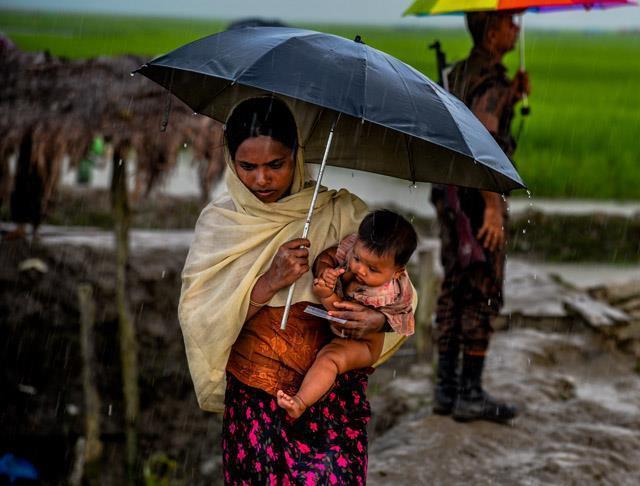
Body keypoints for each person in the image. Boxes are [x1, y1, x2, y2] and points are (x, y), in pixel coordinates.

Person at [178, 97, 406, 485]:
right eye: (247, 167)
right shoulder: (222, 225)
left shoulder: (339, 214)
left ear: (296, 157)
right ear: (231, 163)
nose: (262, 180)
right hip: (256, 400)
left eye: (275, 165)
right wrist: (269, 281)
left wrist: (375, 317)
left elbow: (399, 288)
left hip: (331, 399)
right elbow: (200, 319)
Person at [430, 11, 530, 423]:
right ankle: (469, 391)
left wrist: (513, 95)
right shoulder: (489, 81)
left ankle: (447, 389)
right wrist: (492, 204)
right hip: (476, 199)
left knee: (455, 283)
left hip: (451, 195)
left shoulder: (460, 73)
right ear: (492, 32)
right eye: (510, 23)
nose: (517, 29)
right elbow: (483, 141)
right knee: (482, 287)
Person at [278, 209, 418, 418]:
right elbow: (330, 254)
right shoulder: (353, 249)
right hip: (338, 328)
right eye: (357, 259)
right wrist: (325, 269)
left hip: (362, 344)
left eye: (372, 269)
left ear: (397, 272)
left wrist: (325, 294)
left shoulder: (386, 293)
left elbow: (340, 313)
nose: (360, 270)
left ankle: (300, 402)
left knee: (329, 358)